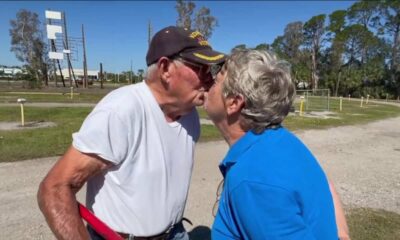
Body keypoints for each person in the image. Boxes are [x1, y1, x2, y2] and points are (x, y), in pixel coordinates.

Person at [37, 26, 225, 240]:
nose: (210, 78)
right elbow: (54, 188)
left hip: (175, 233)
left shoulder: (189, 115)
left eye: (211, 69)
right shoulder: (121, 111)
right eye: (200, 67)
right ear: (165, 68)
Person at [204, 48, 348, 239]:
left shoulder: (252, 179)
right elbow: (327, 187)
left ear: (234, 103)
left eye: (216, 81)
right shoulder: (282, 140)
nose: (208, 85)